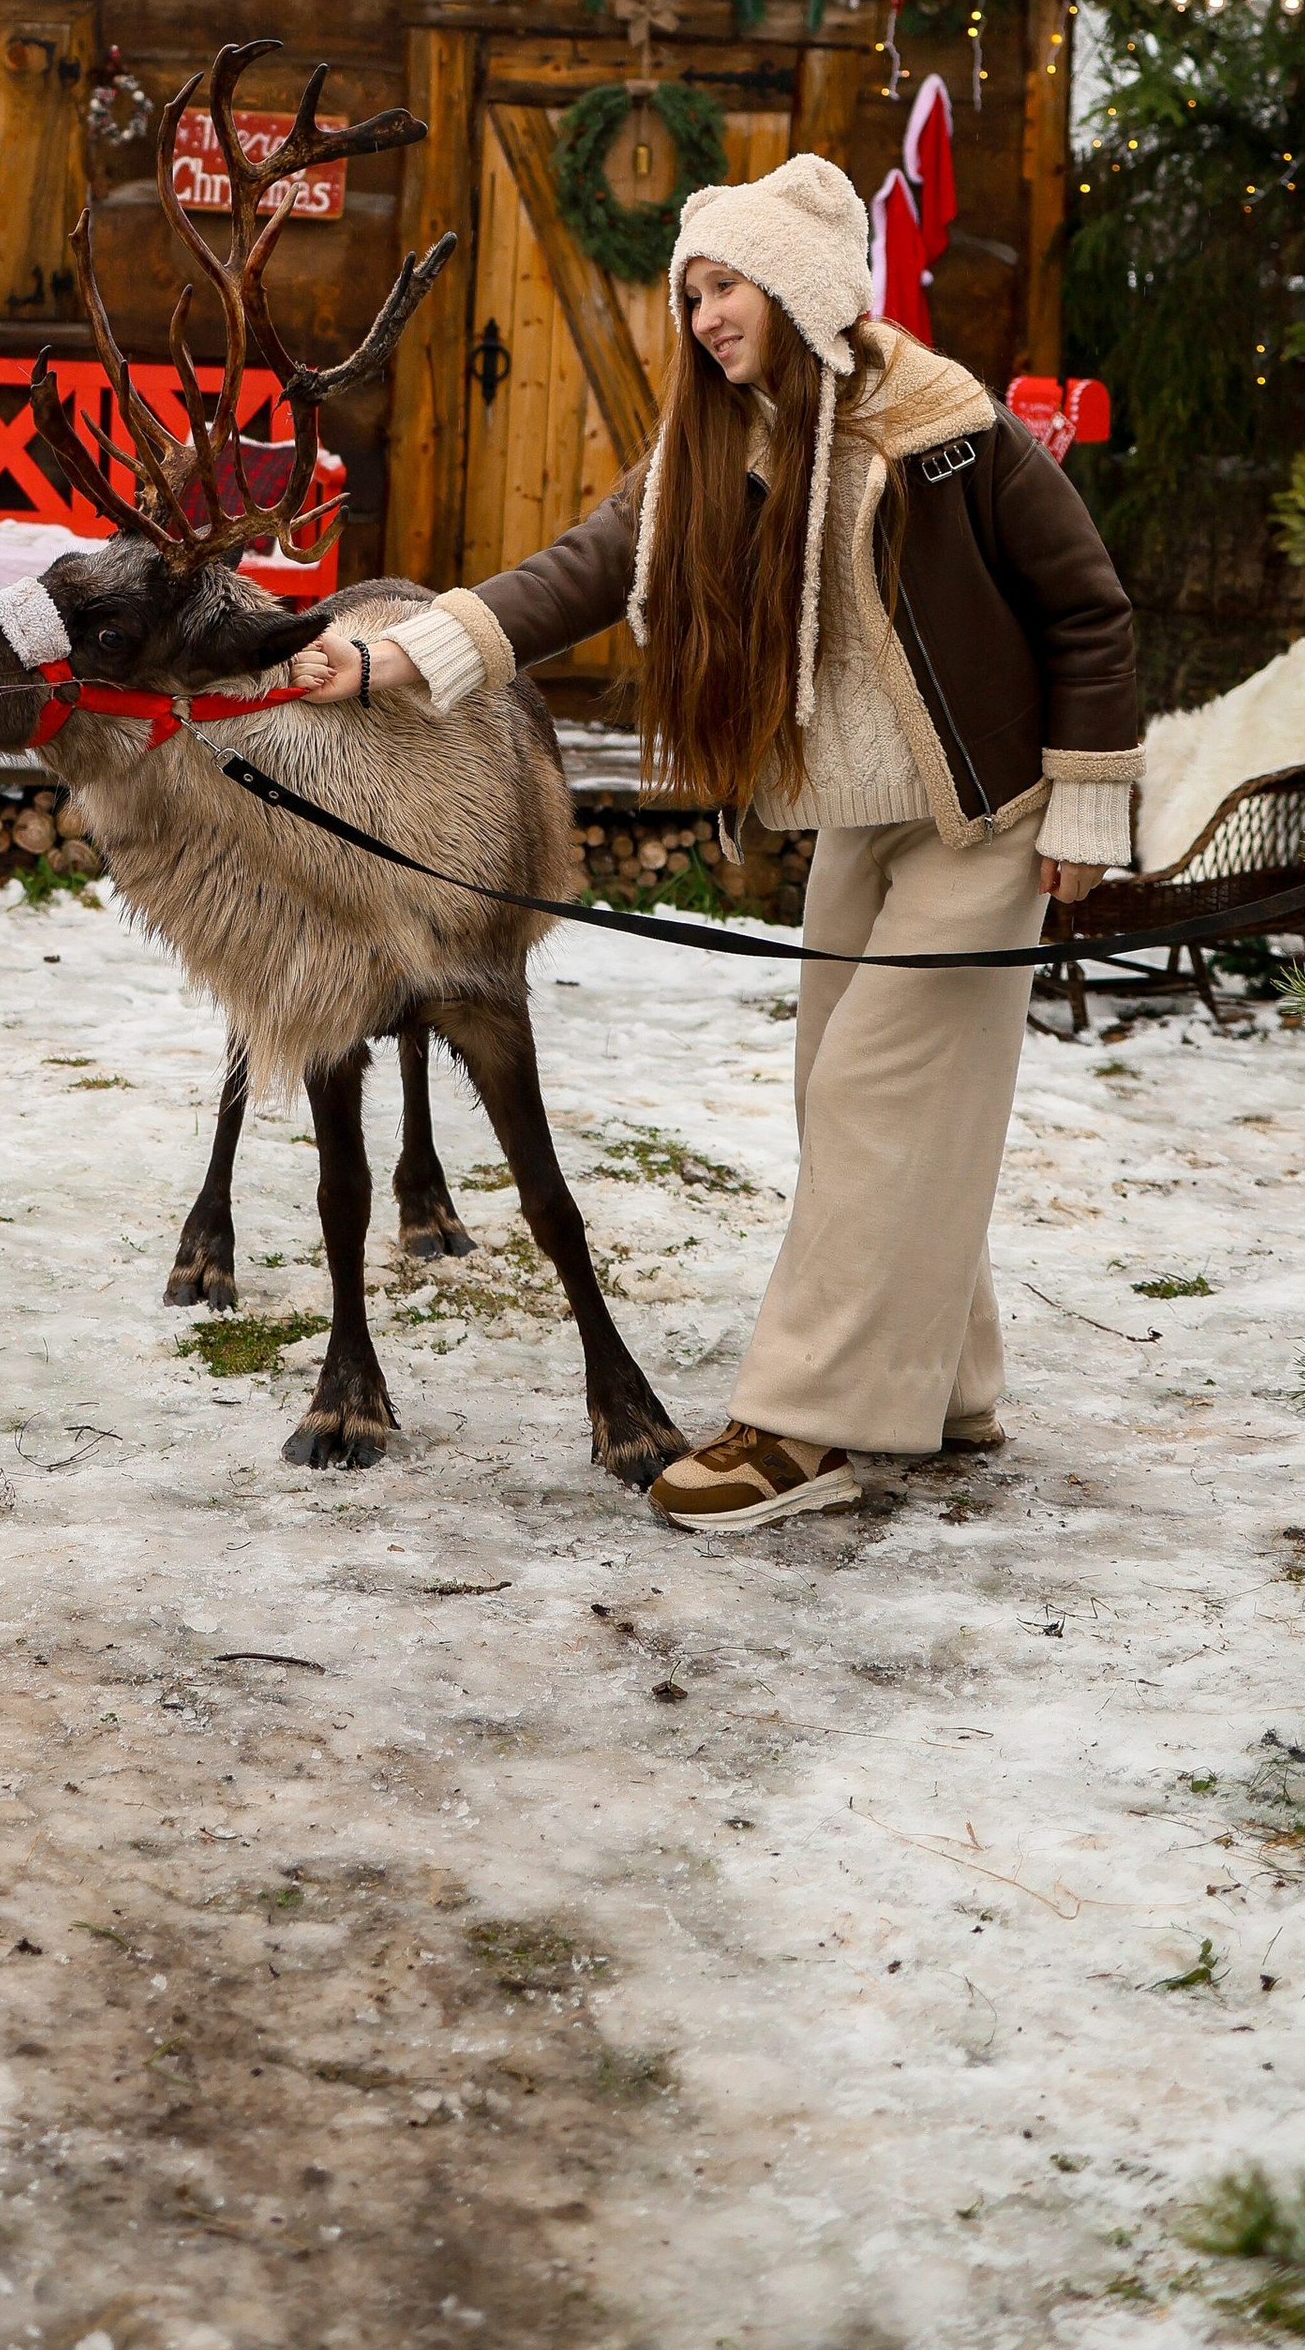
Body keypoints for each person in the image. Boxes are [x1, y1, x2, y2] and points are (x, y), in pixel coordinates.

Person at [290, 149, 1138, 1538]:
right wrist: (391, 661)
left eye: (722, 283)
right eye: (689, 292)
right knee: (847, 1095)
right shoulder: (717, 445)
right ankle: (942, 1389)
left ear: (798, 288)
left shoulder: (950, 428)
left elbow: (1088, 610)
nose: (700, 316)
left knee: (878, 1093)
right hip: (858, 818)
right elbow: (572, 574)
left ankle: (806, 1428)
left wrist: (1092, 798)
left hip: (985, 813)